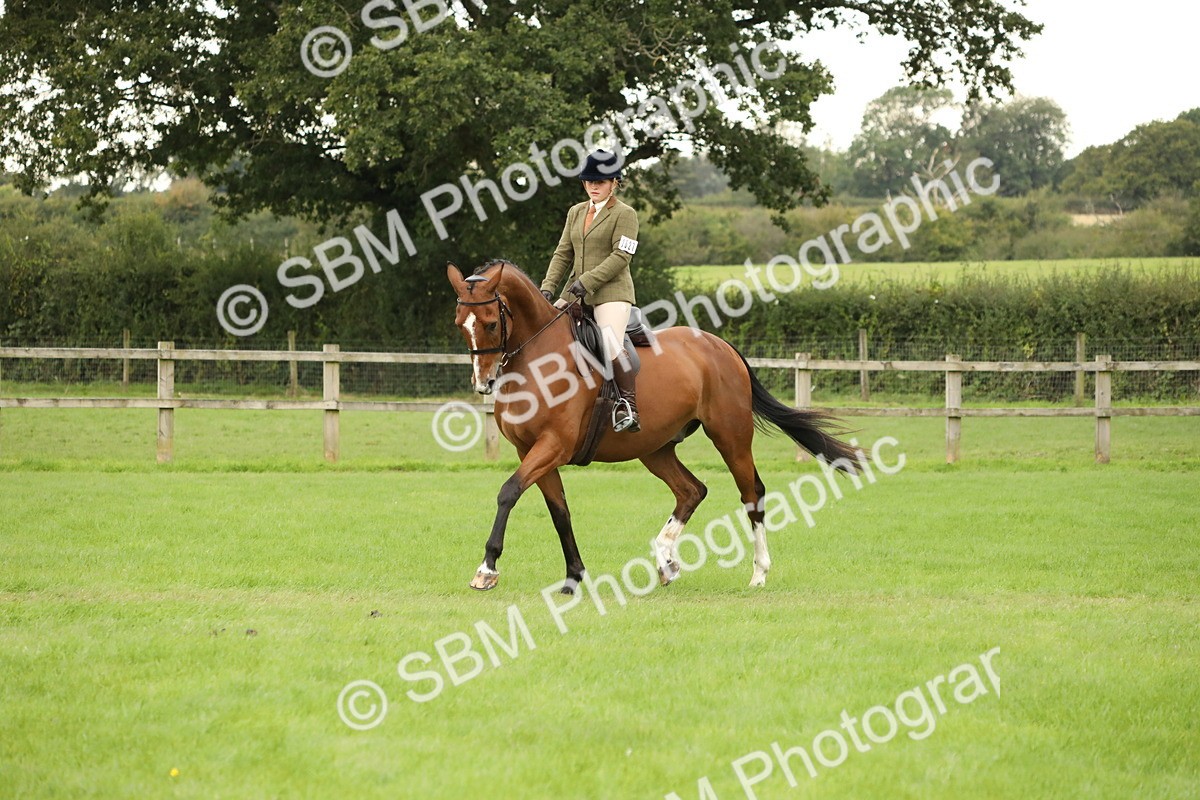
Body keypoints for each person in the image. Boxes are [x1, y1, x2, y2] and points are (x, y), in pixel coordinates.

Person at [540, 150, 641, 432]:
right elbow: (562, 253)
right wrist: (547, 289)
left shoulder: (625, 214)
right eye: (589, 182)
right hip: (575, 292)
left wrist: (588, 281)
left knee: (609, 342)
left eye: (601, 181)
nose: (594, 187)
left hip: (611, 295)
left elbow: (621, 256)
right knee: (543, 332)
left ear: (614, 182)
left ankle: (628, 407)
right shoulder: (576, 212)